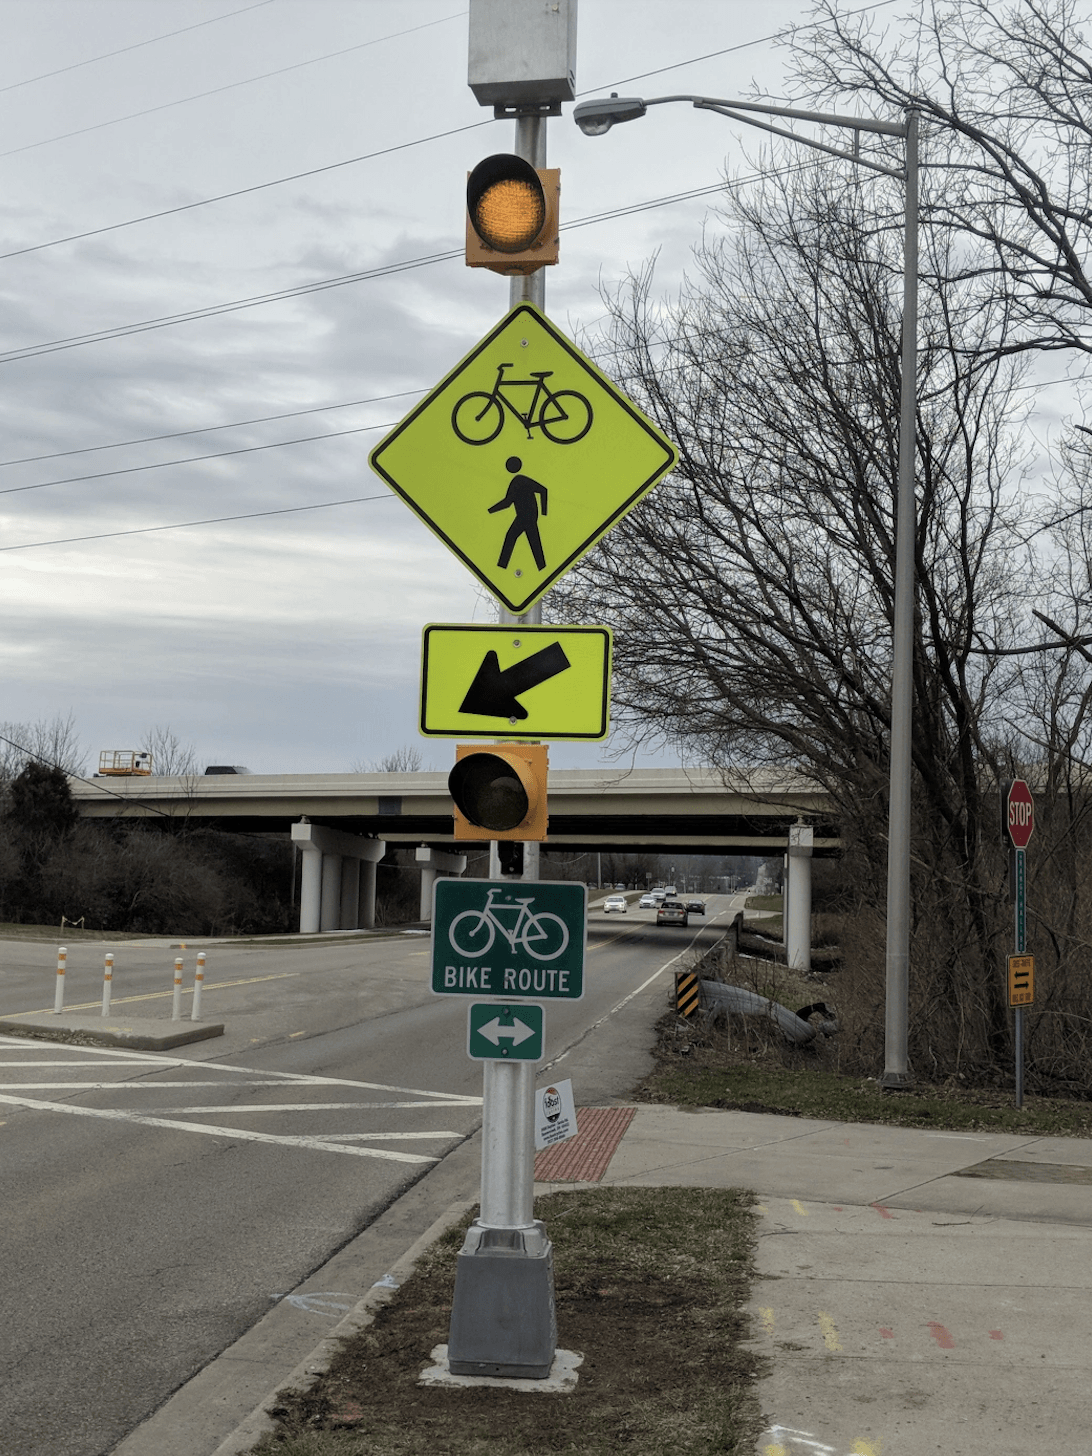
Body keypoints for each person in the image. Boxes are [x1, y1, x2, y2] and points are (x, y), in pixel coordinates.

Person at [488, 456, 548, 570]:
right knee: (533, 541)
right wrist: (490, 511)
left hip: (526, 516)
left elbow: (543, 490)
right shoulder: (516, 481)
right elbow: (507, 502)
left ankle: (502, 565)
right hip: (526, 516)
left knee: (511, 536)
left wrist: (544, 512)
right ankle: (542, 567)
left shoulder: (520, 480)